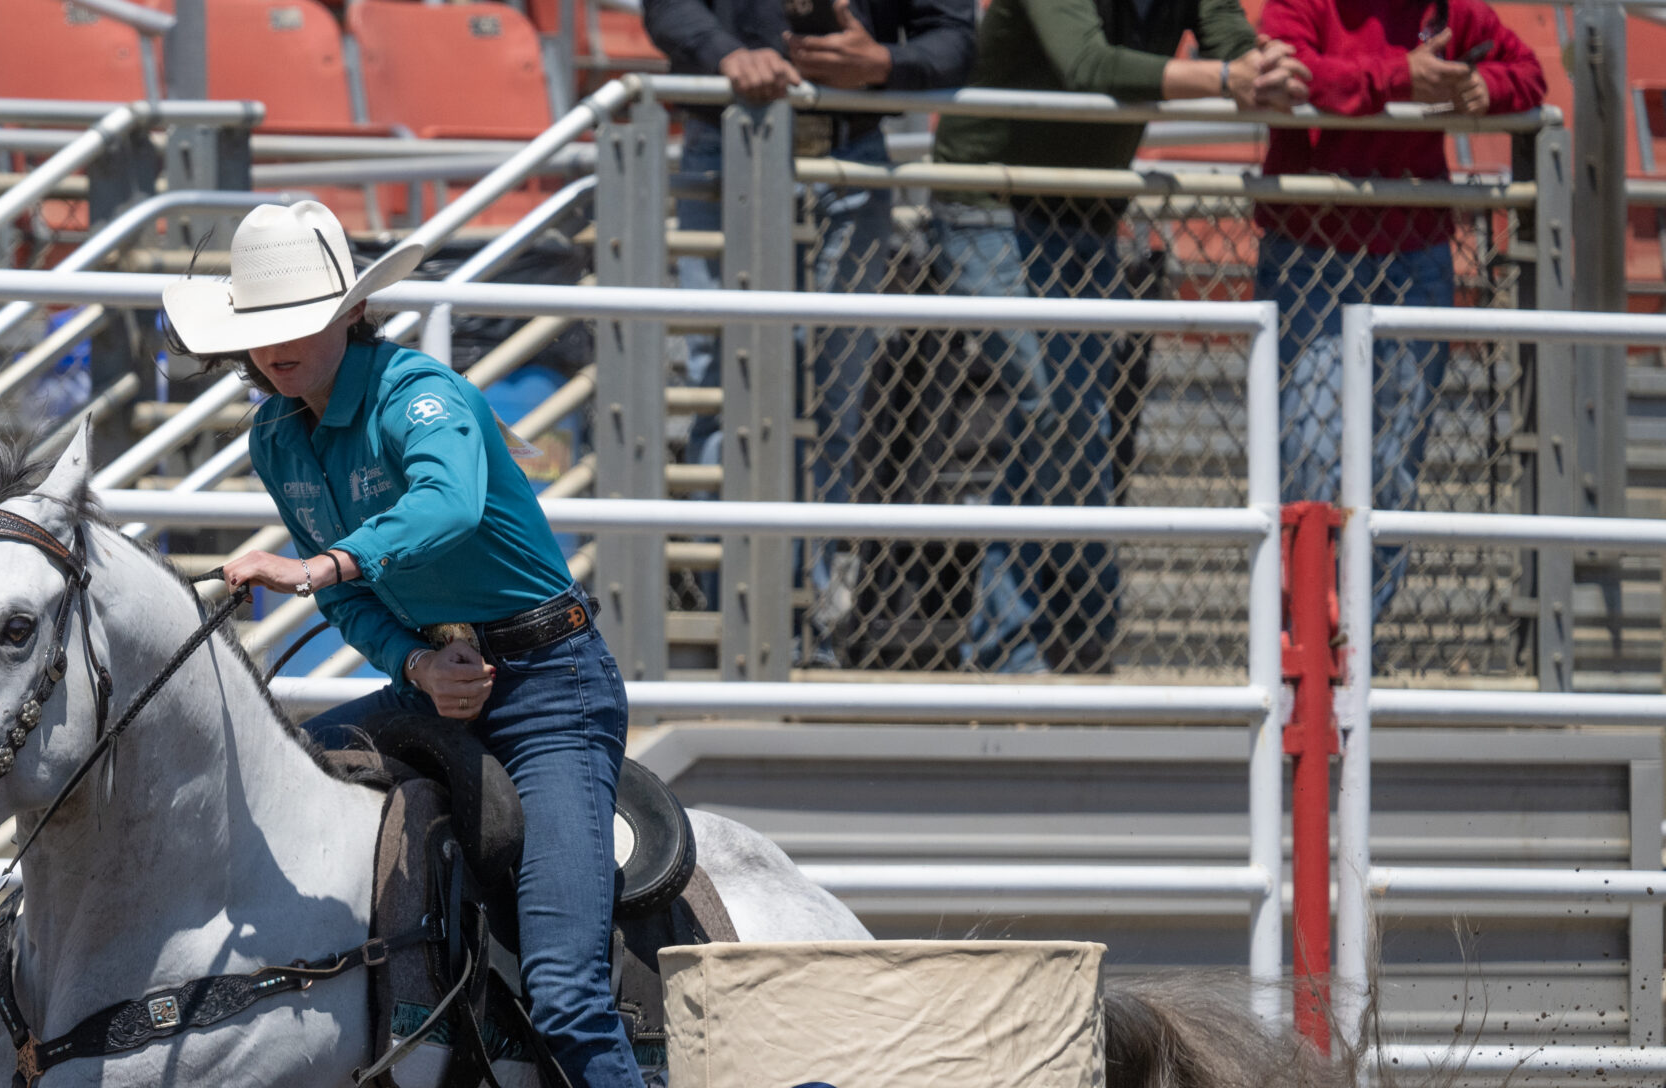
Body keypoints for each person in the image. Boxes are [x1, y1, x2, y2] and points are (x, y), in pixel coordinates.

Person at [162, 201, 670, 1088]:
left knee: (562, 981)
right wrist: (411, 664)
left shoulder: (419, 395)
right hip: (441, 677)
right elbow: (355, 611)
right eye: (260, 332)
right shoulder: (277, 440)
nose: (272, 351)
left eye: (295, 327)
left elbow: (440, 506)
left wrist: (328, 566)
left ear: (350, 313)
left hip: (551, 691)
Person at [932, 0, 1305, 672]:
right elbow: (1088, 64)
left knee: (1062, 420)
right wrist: (1227, 80)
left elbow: (1235, 42)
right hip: (990, 199)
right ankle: (1077, 622)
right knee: (1053, 408)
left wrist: (1266, 65)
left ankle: (1025, 641)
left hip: (1091, 211)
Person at [641, 0, 975, 661]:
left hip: (848, 157)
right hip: (727, 142)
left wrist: (885, 61)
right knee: (727, 391)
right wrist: (728, 52)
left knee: (832, 405)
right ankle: (731, 628)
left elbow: (955, 37)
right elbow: (668, 8)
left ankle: (802, 633)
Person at [1252, 0, 1543, 625]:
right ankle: (1306, 643)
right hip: (1313, 253)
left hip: (1412, 256)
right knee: (1312, 459)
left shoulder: (1449, 10)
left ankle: (1356, 648)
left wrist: (1479, 86)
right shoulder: (1303, 5)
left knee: (1391, 471)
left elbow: (1529, 73)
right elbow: (1287, 75)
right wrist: (1398, 79)